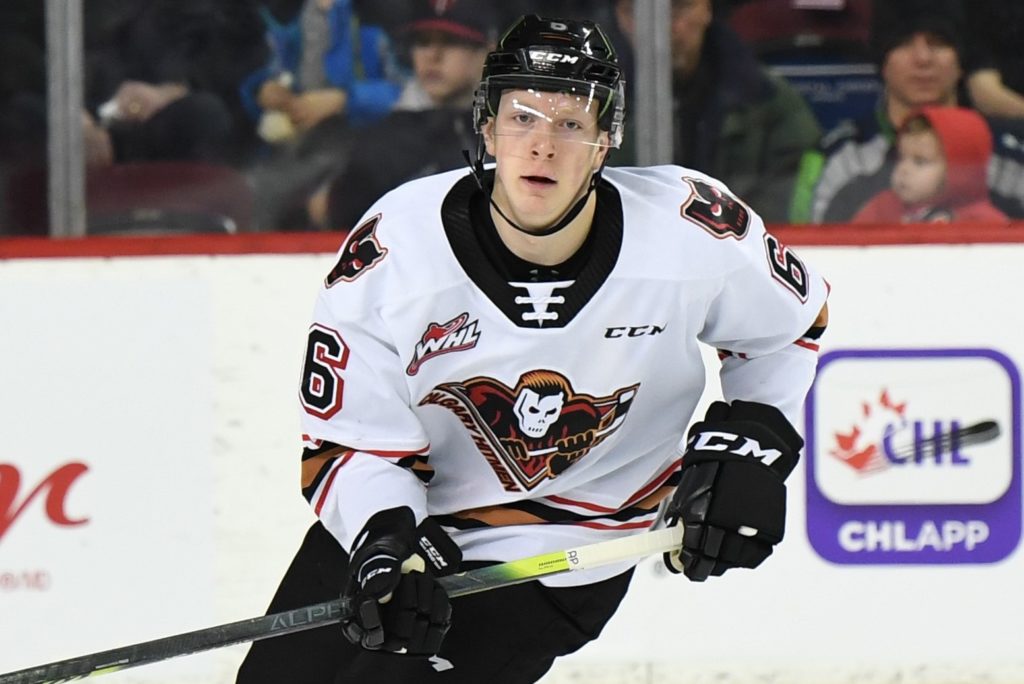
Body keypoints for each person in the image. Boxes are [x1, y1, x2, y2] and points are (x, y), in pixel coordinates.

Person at [236, 14, 829, 684]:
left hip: (566, 548)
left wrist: (752, 437)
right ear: (485, 127)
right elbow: (350, 439)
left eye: (571, 123)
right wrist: (381, 541)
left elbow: (787, 328)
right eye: (522, 118)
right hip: (415, 521)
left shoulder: (689, 230)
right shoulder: (397, 249)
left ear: (607, 141)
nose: (543, 145)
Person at [791, 0, 1024, 223]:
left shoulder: (1012, 158)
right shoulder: (835, 161)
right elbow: (799, 256)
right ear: (881, 59)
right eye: (903, 43)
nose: (923, 59)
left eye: (938, 43)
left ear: (961, 59)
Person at [608, 0, 821, 223]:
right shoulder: (594, 106)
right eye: (634, 11)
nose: (663, 27)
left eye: (679, 7)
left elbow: (791, 198)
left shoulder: (765, 99)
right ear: (619, 16)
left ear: (707, 9)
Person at [323, 0, 496, 232]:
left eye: (452, 41)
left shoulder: (515, 133)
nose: (433, 56)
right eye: (423, 42)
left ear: (488, 51)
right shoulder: (383, 138)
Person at [851, 106, 1008, 224]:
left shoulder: (985, 223)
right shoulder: (881, 209)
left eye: (920, 161)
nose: (904, 170)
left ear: (960, 171)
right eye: (900, 158)